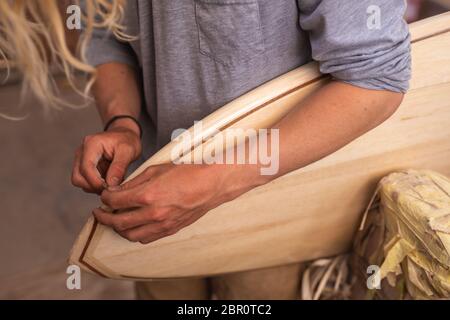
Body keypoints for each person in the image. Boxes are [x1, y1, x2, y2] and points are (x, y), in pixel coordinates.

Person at [1, 0, 411, 299]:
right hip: (154, 196)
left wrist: (214, 180)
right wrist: (122, 122)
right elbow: (107, 37)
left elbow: (374, 80)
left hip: (278, 209)